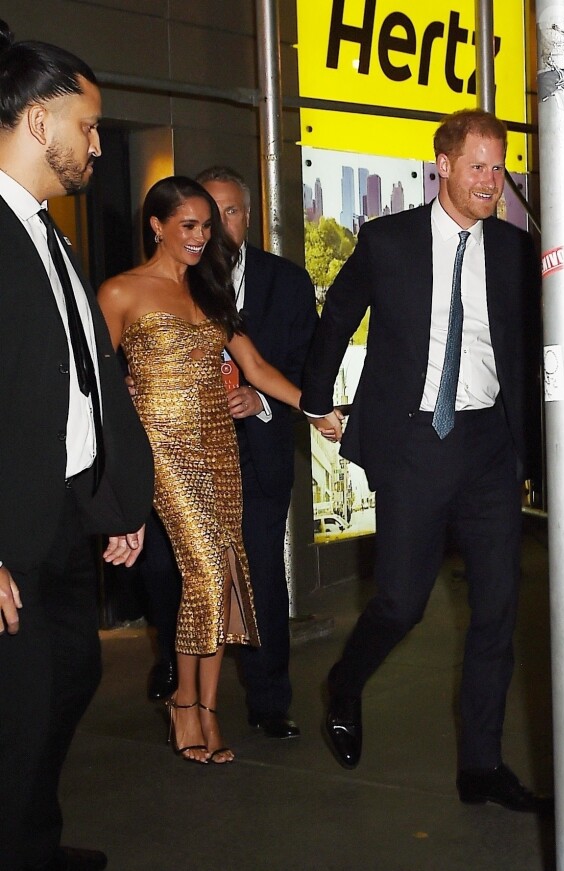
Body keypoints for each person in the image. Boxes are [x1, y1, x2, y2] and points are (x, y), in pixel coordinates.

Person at [302, 109, 549, 813]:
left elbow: (535, 344)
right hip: (415, 443)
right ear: (441, 164)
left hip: (489, 447)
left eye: (499, 168)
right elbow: (338, 315)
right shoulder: (389, 240)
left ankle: (481, 766)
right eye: (477, 166)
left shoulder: (510, 249)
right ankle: (345, 680)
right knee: (401, 601)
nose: (490, 181)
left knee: (499, 607)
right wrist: (316, 400)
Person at [98, 176, 323, 762]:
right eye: (189, 226)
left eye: (209, 225)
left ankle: (207, 708)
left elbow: (256, 367)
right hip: (163, 453)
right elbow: (90, 379)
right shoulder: (121, 292)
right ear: (157, 226)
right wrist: (119, 397)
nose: (203, 237)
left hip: (219, 447)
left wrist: (315, 408)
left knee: (225, 576)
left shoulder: (212, 291)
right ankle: (183, 702)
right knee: (201, 571)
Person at [0, 23, 154, 871]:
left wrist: (111, 504)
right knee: (22, 709)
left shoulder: (49, 234)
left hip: (59, 513)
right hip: (9, 529)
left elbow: (83, 387)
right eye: (86, 126)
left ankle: (31, 838)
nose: (96, 145)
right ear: (34, 123)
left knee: (72, 676)